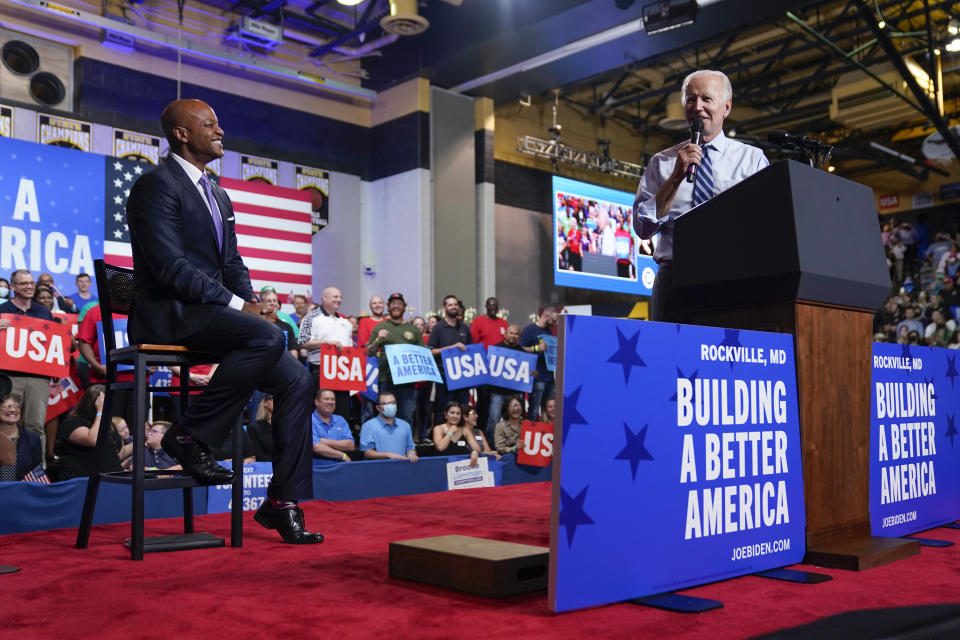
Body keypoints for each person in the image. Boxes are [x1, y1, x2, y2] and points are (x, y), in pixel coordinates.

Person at [125, 98, 320, 544]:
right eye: (209, 124)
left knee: (298, 381)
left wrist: (251, 300)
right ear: (180, 133)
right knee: (266, 337)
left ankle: (282, 501)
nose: (221, 131)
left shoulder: (217, 191)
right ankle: (189, 436)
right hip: (168, 317)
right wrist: (238, 306)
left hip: (211, 316)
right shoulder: (154, 186)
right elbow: (170, 268)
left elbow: (231, 261)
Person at [633, 69, 769, 322]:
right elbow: (643, 228)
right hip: (674, 280)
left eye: (707, 99)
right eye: (690, 99)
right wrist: (675, 178)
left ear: (726, 106)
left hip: (732, 277)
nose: (698, 107)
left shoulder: (751, 160)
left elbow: (764, 227)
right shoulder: (662, 162)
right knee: (669, 357)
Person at [0, 270, 56, 458]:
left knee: (35, 425)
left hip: (38, 378)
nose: (30, 286)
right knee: (5, 423)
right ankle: (5, 470)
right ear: (13, 287)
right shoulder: (2, 310)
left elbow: (52, 344)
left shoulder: (44, 312)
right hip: (8, 377)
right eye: (24, 283)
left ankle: (36, 471)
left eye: (31, 283)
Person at [365, 292, 422, 427]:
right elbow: (369, 352)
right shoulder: (380, 327)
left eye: (399, 304)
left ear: (405, 307)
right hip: (386, 379)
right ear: (388, 307)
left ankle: (406, 447)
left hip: (408, 381)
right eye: (393, 304)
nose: (396, 306)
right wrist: (378, 339)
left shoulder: (413, 329)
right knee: (386, 415)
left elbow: (421, 354)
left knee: (407, 416)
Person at [299, 286, 353, 420]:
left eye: (340, 297)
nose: (339, 300)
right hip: (321, 370)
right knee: (320, 410)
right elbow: (302, 342)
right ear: (324, 298)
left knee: (342, 410)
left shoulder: (345, 322)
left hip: (342, 372)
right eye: (335, 296)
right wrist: (327, 343)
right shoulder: (310, 317)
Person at [55, 385, 123, 480]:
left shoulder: (108, 424)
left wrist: (140, 441)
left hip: (110, 481)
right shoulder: (72, 422)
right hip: (83, 483)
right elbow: (92, 440)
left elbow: (118, 453)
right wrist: (100, 411)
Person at [428, 294, 472, 423]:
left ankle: (461, 440)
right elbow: (430, 351)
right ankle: (441, 440)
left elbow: (471, 351)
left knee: (463, 410)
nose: (453, 307)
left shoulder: (464, 328)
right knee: (443, 409)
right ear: (444, 308)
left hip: (463, 376)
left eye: (455, 304)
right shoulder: (438, 328)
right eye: (450, 305)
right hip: (444, 376)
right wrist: (452, 348)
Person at [520, 307, 558, 421]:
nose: (554, 324)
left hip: (549, 375)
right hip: (537, 375)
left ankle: (545, 432)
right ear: (546, 316)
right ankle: (532, 431)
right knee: (535, 407)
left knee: (548, 407)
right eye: (553, 320)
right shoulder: (529, 330)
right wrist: (536, 348)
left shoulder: (548, 331)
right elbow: (520, 348)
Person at [359, 392, 418, 462]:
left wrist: (411, 454)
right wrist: (387, 455)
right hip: (379, 469)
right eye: (385, 404)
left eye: (393, 403)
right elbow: (368, 453)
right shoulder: (368, 426)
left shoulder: (405, 425)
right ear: (378, 408)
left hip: (402, 468)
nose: (390, 406)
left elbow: (410, 448)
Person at [0, 394, 42, 482]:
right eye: (7, 406)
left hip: (21, 491)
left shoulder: (32, 438)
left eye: (16, 407)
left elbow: (36, 472)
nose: (13, 410)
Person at [311, 389, 354, 461]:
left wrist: (323, 441)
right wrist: (342, 455)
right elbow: (316, 447)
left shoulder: (340, 420)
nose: (330, 402)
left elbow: (350, 445)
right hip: (317, 468)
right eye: (326, 399)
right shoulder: (308, 420)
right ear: (317, 402)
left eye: (333, 399)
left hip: (339, 467)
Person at [248, 395, 275, 461]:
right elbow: (258, 455)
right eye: (273, 399)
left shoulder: (286, 426)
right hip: (267, 467)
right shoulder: (254, 428)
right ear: (265, 403)